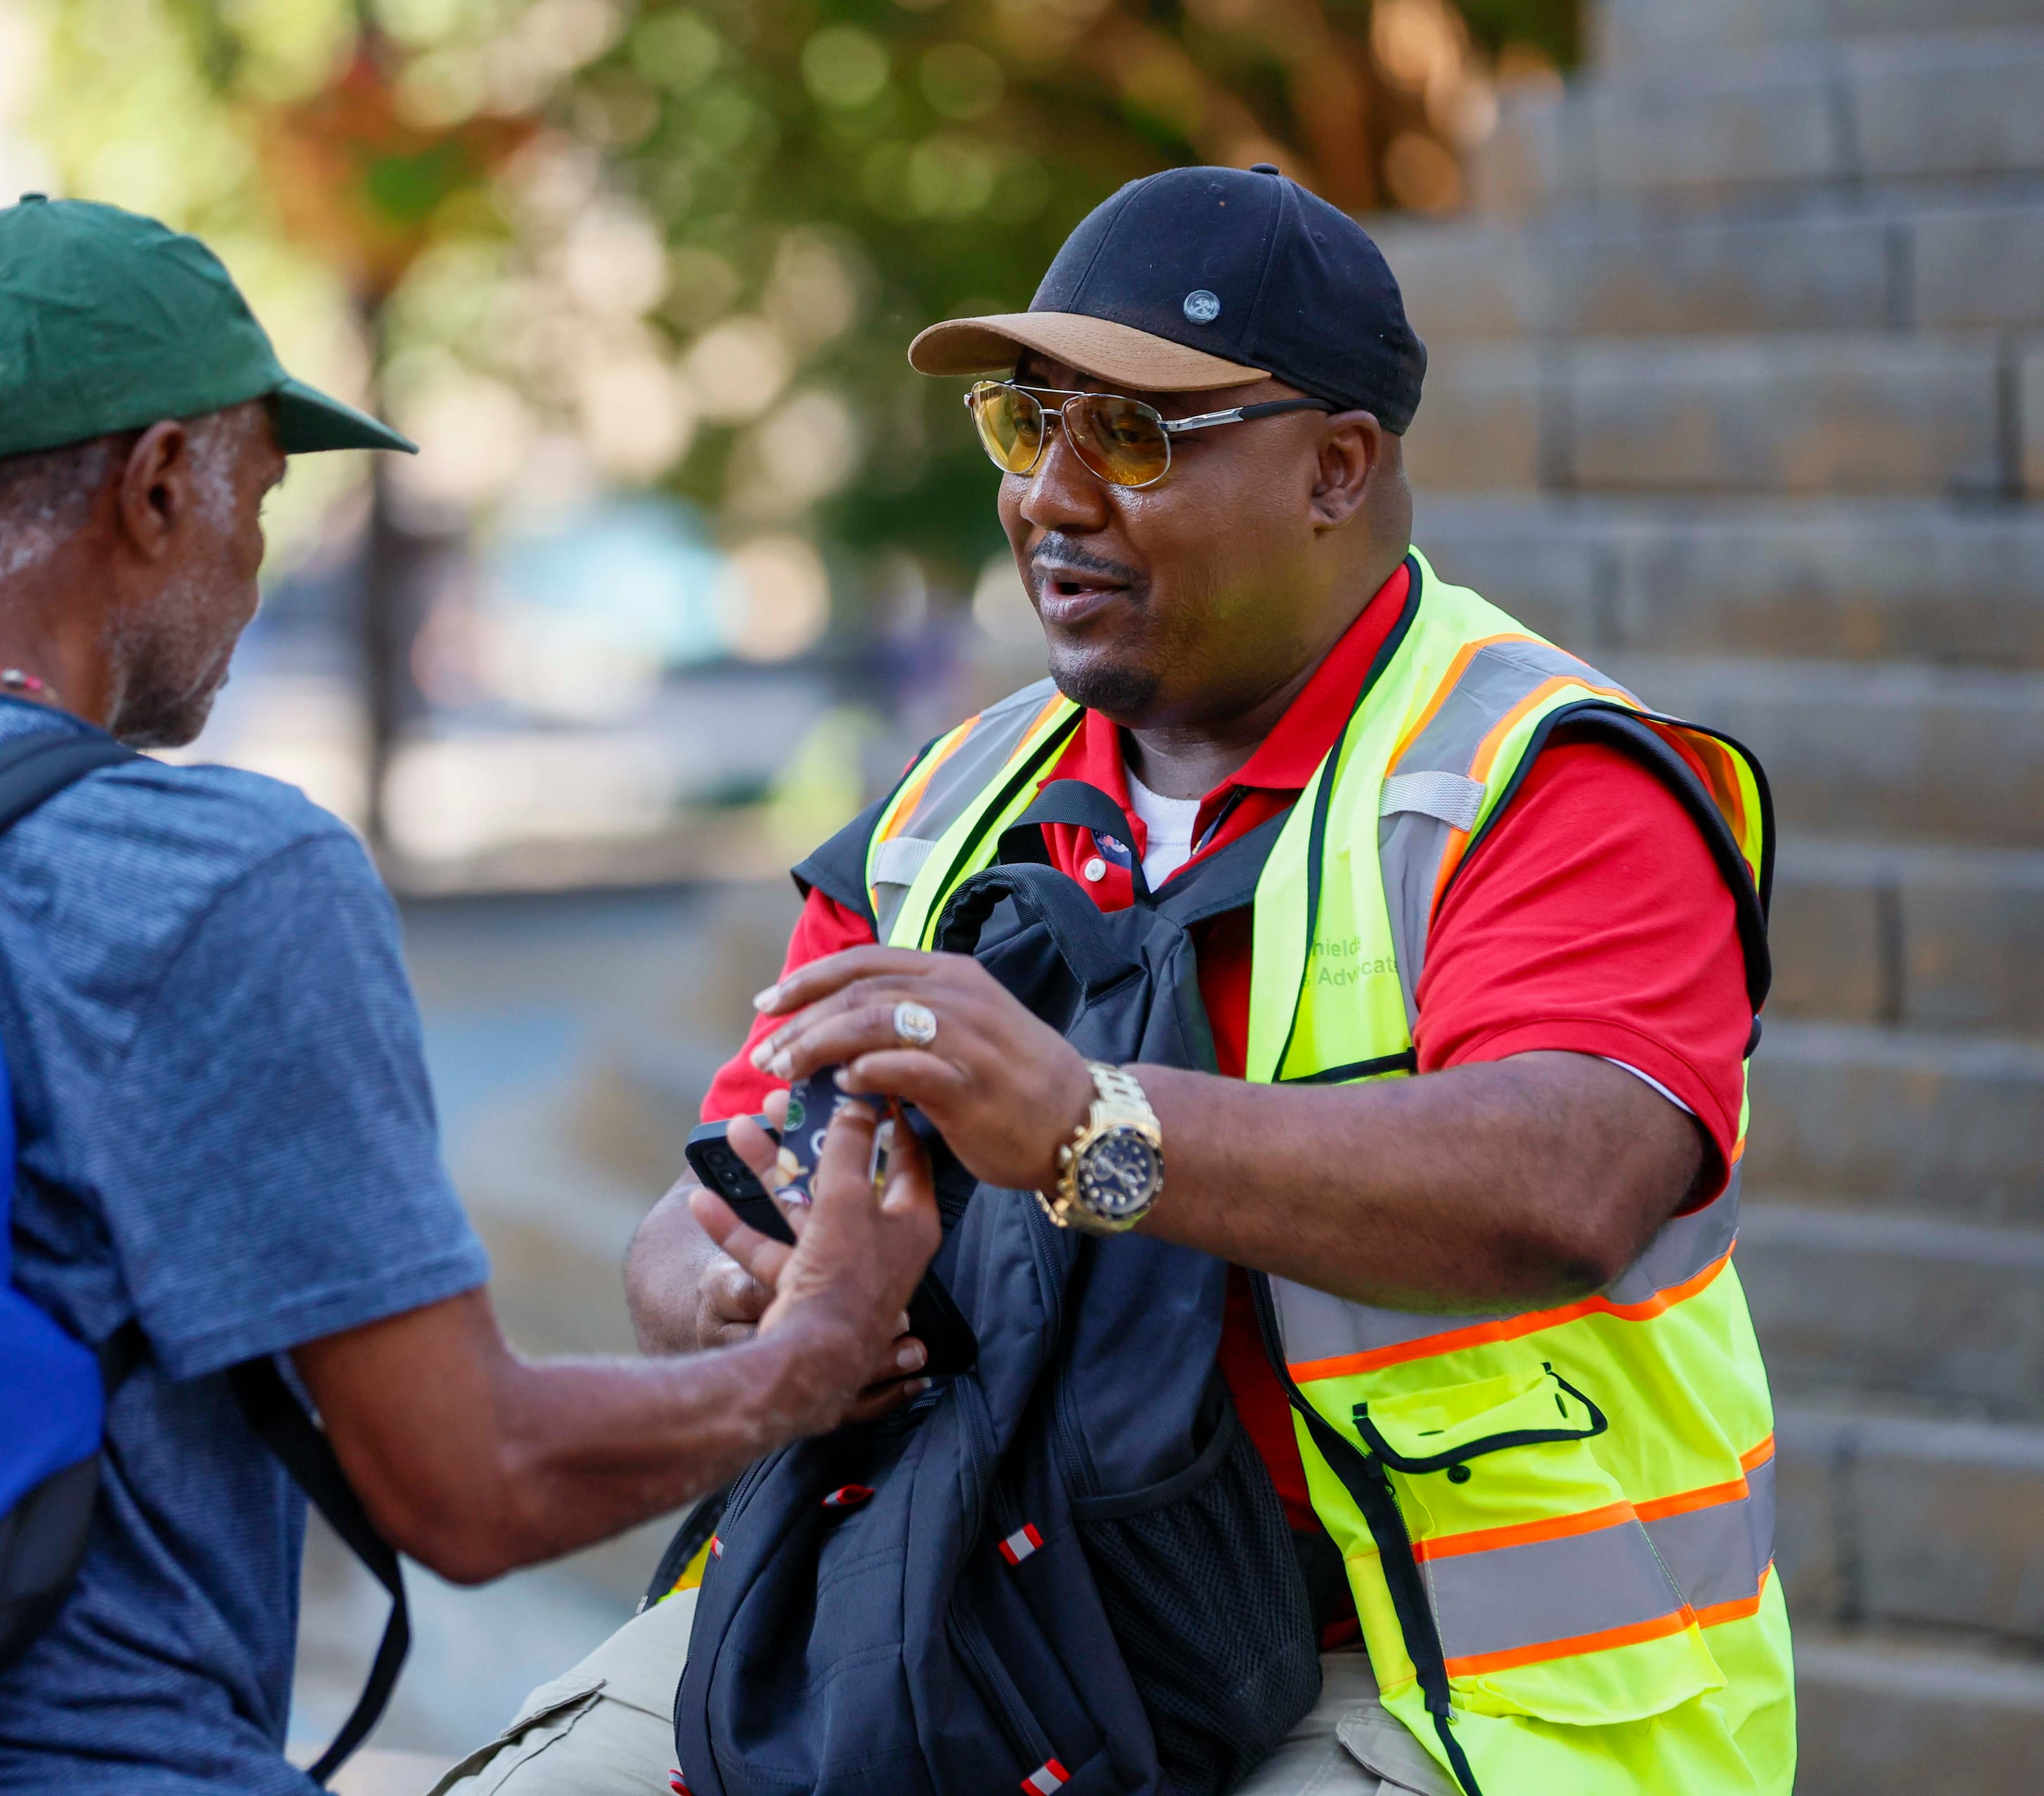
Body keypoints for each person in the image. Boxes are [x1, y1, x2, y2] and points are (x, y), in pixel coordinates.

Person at [0, 196, 939, 1796]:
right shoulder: (220, 871)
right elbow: (471, 1479)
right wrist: (807, 1359)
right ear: (162, 486)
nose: (254, 562)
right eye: (264, 497)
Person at [440, 166, 1789, 1796]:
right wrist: (750, 1299)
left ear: (1335, 467)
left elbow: (1575, 1174)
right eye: (1029, 426)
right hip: (956, 1596)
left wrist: (1093, 1126)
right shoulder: (956, 795)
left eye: (1135, 437)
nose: (1053, 497)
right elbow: (701, 1207)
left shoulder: (1544, 775)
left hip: (1433, 1680)